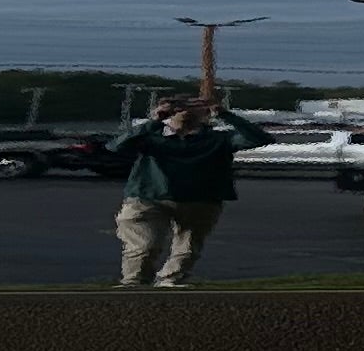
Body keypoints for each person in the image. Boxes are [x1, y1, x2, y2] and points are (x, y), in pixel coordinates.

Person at [105, 93, 264, 287]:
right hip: (149, 197)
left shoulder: (218, 139)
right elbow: (116, 146)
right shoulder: (151, 137)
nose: (185, 111)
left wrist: (224, 113)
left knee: (187, 247)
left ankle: (171, 280)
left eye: (194, 106)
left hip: (200, 200)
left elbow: (260, 138)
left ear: (205, 112)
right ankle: (134, 281)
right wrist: (155, 120)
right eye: (179, 106)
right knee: (144, 245)